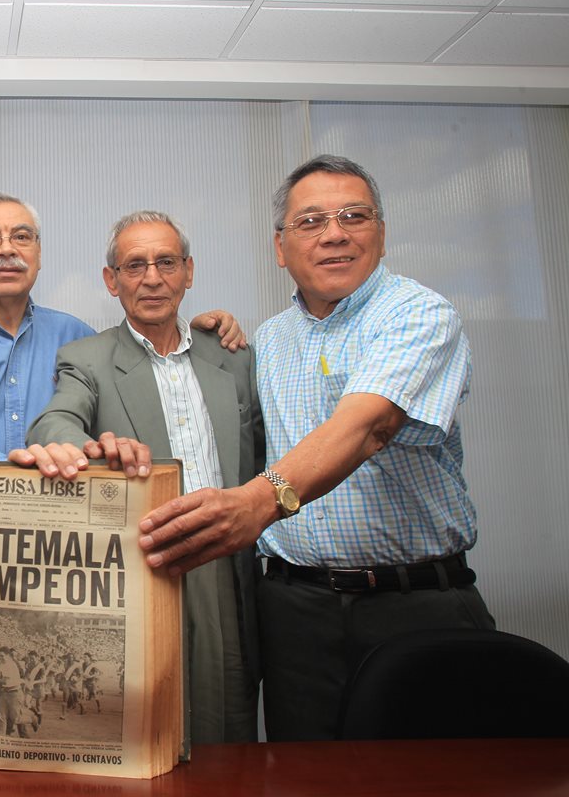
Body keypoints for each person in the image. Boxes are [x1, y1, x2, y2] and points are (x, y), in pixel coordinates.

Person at [136, 155, 493, 741]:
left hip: (414, 601)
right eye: (311, 221)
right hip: (294, 612)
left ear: (380, 234)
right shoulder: (270, 338)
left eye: (354, 216)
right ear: (280, 247)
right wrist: (201, 338)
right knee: (301, 774)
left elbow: (368, 426)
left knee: (440, 778)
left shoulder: (418, 313)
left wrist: (257, 502)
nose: (334, 233)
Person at [19, 210, 262, 744]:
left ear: (189, 271)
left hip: (231, 575)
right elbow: (56, 418)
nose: (152, 278)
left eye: (166, 262)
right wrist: (80, 445)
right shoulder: (87, 358)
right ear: (112, 281)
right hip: (148, 571)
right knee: (151, 733)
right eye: (135, 265)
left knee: (233, 732)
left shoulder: (233, 357)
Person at [0, 193, 246, 464]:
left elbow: (142, 360)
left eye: (22, 237)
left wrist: (203, 336)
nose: (7, 249)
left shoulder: (79, 339)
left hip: (71, 528)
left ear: (38, 253)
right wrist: (21, 477)